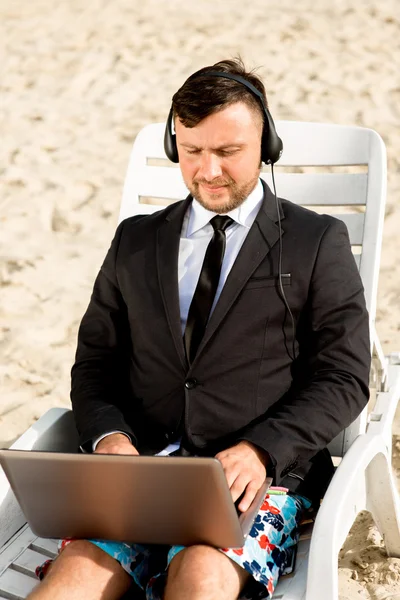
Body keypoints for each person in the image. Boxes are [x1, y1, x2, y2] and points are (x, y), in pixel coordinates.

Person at [28, 58, 370, 600]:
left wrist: (261, 448)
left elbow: (344, 376)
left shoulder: (316, 241)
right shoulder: (135, 241)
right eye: (191, 152)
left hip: (261, 478)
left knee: (202, 573)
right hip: (144, 477)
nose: (208, 171)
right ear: (174, 146)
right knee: (77, 575)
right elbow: (96, 362)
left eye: (228, 152)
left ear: (266, 145)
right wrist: (109, 437)